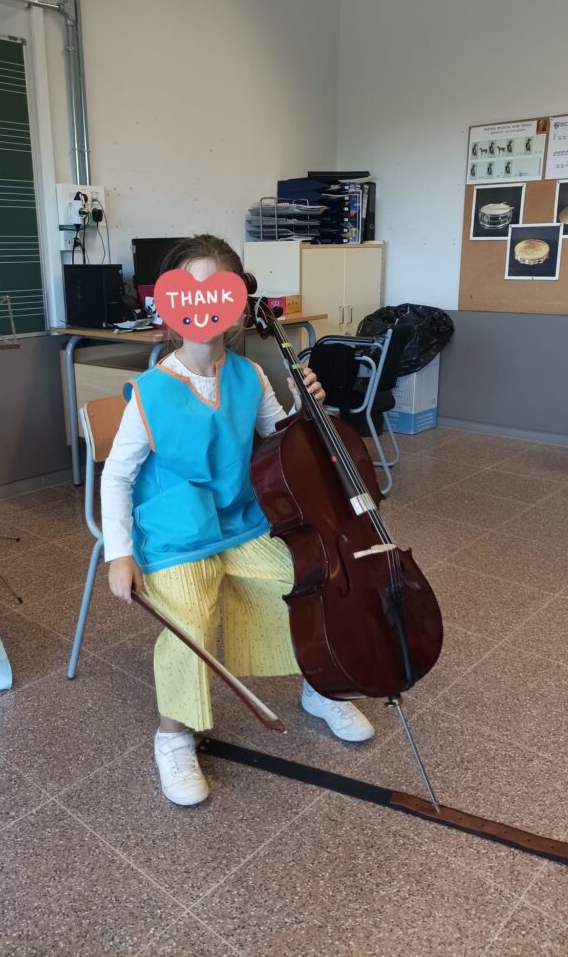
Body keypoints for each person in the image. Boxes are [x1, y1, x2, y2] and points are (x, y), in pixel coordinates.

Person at [102, 234, 374, 806]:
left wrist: (306, 404)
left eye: (217, 290)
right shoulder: (150, 391)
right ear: (168, 304)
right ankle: (173, 735)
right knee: (191, 619)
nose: (203, 304)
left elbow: (281, 441)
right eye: (190, 290)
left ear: (236, 304)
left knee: (303, 580)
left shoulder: (249, 374)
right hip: (176, 533)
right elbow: (117, 476)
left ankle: (319, 688)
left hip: (240, 520)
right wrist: (119, 552)